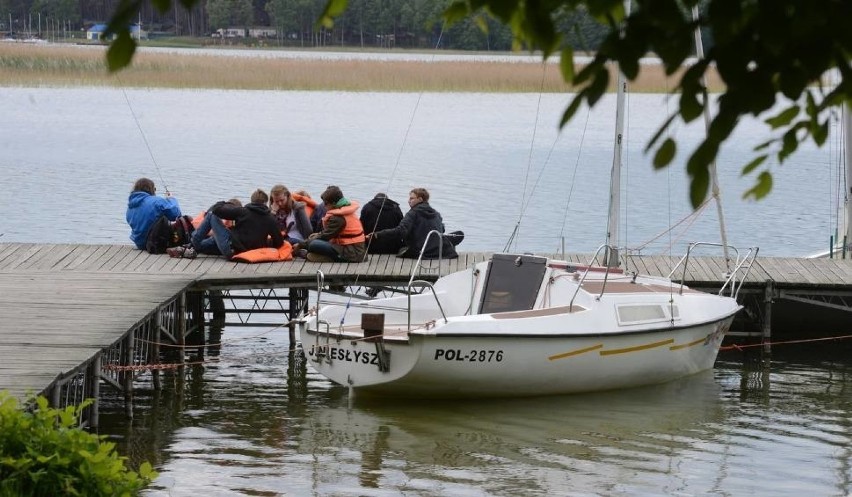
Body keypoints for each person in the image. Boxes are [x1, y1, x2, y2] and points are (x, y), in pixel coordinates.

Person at [189, 189, 283, 260]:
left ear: (251, 201)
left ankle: (193, 243)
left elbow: (216, 209)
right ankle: (193, 247)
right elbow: (279, 242)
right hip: (246, 253)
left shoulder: (243, 212)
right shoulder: (270, 219)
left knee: (211, 216)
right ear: (265, 203)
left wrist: (226, 203)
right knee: (208, 243)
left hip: (231, 249)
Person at [369, 187, 460, 259]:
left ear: (420, 199)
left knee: (402, 248)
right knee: (459, 234)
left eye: (412, 198)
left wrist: (378, 234)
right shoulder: (436, 213)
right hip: (437, 249)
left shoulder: (413, 213)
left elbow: (400, 231)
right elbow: (442, 229)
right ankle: (446, 244)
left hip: (420, 250)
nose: (409, 200)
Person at [301, 185, 366, 263]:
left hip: (352, 252)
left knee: (313, 244)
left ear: (334, 203)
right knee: (313, 237)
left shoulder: (338, 218)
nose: (324, 206)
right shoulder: (344, 209)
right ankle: (315, 255)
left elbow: (325, 236)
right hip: (351, 248)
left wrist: (301, 244)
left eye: (326, 203)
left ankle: (328, 258)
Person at [126, 177, 182, 250]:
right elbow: (175, 214)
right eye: (154, 189)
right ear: (151, 189)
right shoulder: (156, 201)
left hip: (139, 243)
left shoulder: (130, 206)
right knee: (185, 220)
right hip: (155, 243)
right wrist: (171, 199)